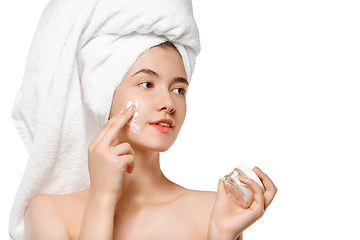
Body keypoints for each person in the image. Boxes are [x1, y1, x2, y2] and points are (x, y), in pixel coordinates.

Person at [9, 1, 276, 239]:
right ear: (105, 94)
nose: (169, 104)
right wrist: (102, 200)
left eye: (179, 90)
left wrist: (221, 235)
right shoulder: (49, 213)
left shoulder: (211, 212)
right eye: (147, 84)